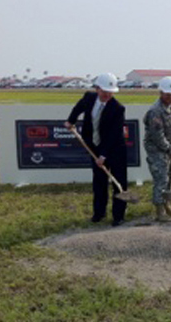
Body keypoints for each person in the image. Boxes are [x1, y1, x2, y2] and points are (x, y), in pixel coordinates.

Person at [64, 73, 128, 227]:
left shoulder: (118, 108)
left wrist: (103, 155)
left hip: (115, 149)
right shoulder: (88, 98)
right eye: (105, 91)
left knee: (118, 182)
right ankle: (99, 213)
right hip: (94, 146)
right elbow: (78, 108)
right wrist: (70, 120)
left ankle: (118, 216)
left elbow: (113, 135)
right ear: (97, 88)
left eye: (110, 92)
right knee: (99, 182)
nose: (107, 95)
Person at [143, 76, 171, 222]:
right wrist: (170, 150)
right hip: (156, 147)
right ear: (160, 93)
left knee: (170, 175)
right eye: (167, 95)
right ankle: (159, 210)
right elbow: (157, 137)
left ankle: (167, 204)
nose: (170, 98)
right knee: (161, 177)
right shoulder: (155, 111)